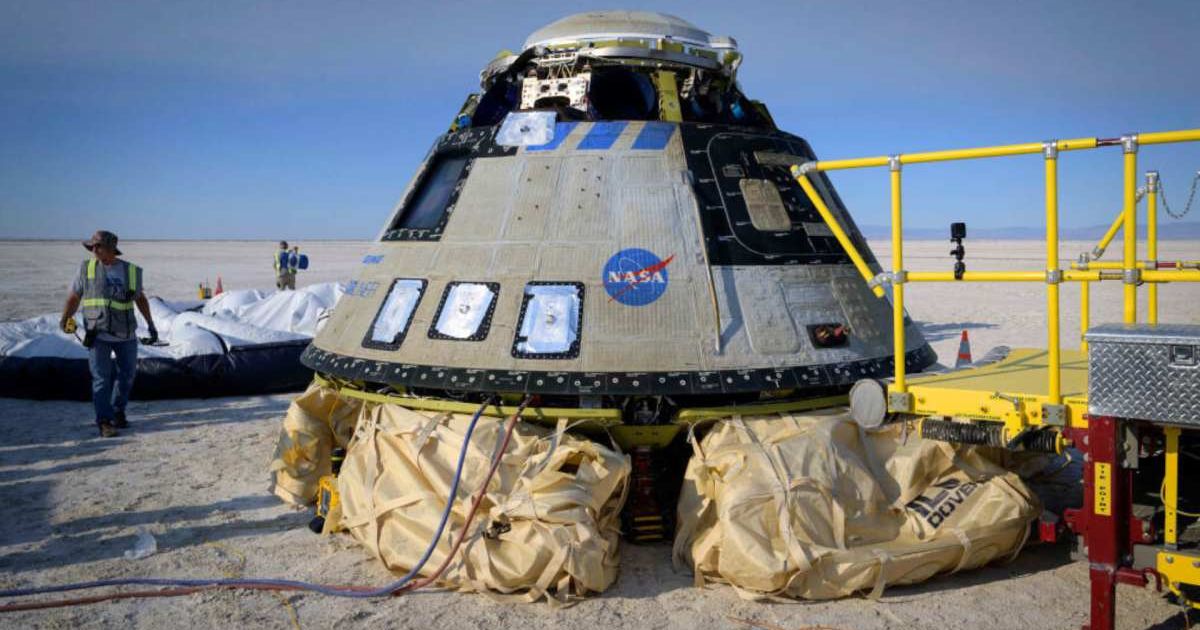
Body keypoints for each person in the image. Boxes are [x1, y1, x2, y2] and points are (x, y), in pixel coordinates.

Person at [59, 231, 158, 438]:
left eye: (98, 246)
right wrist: (65, 317)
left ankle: (118, 411)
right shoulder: (86, 269)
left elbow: (140, 299)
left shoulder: (130, 271)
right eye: (92, 247)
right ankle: (104, 421)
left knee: (127, 376)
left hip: (126, 334)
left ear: (112, 249)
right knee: (101, 379)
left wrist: (150, 324)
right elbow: (74, 297)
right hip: (98, 334)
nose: (94, 250)